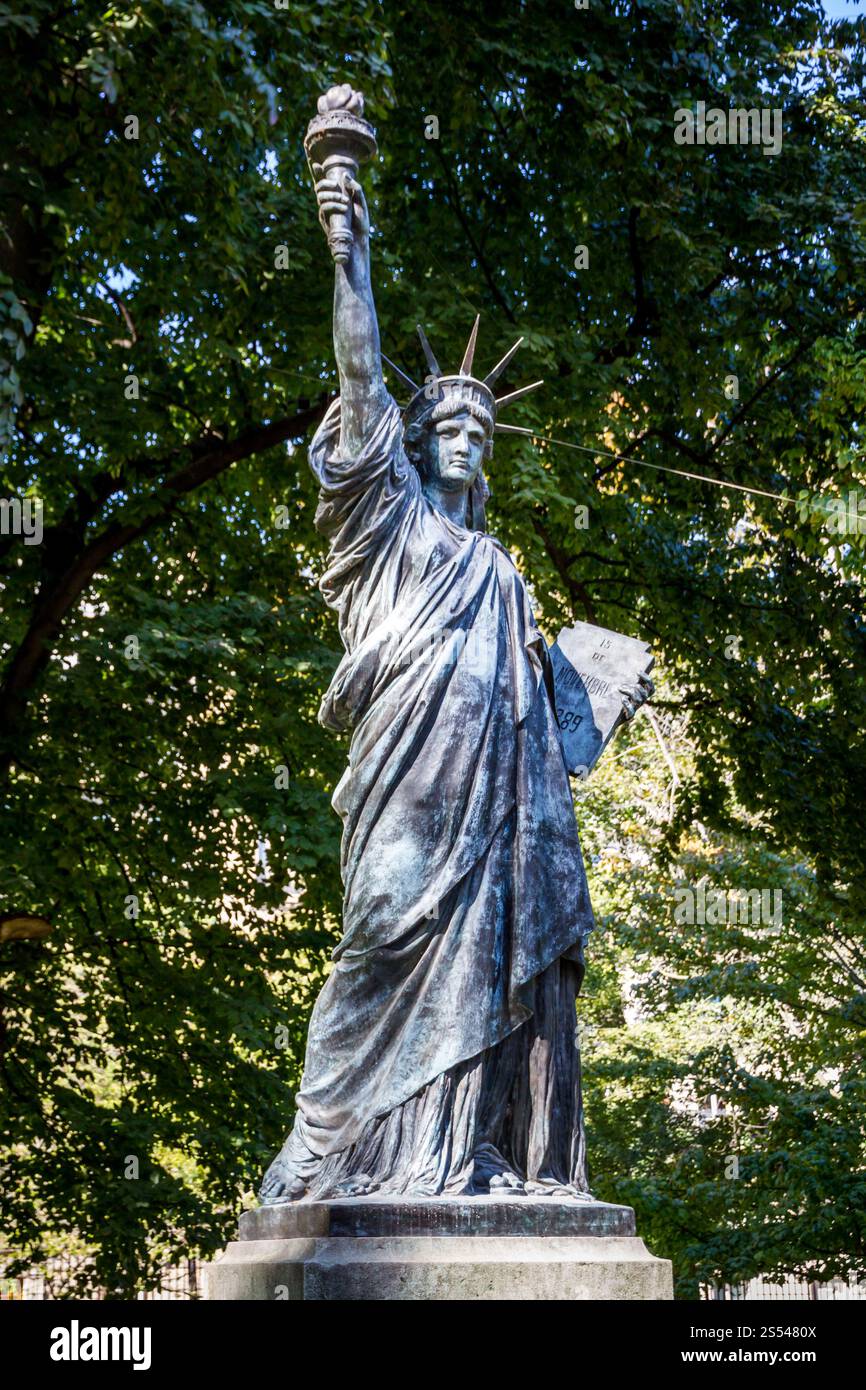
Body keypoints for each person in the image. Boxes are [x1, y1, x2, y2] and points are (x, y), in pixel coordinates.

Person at [258, 164, 649, 1204]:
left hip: (498, 814)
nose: (465, 442)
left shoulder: (504, 571)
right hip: (405, 787)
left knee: (486, 965)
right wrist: (349, 254)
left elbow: (539, 716)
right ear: (416, 448)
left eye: (480, 433)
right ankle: (329, 1151)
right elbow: (358, 382)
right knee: (378, 941)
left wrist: (592, 691)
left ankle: (457, 1155)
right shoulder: (389, 527)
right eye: (446, 431)